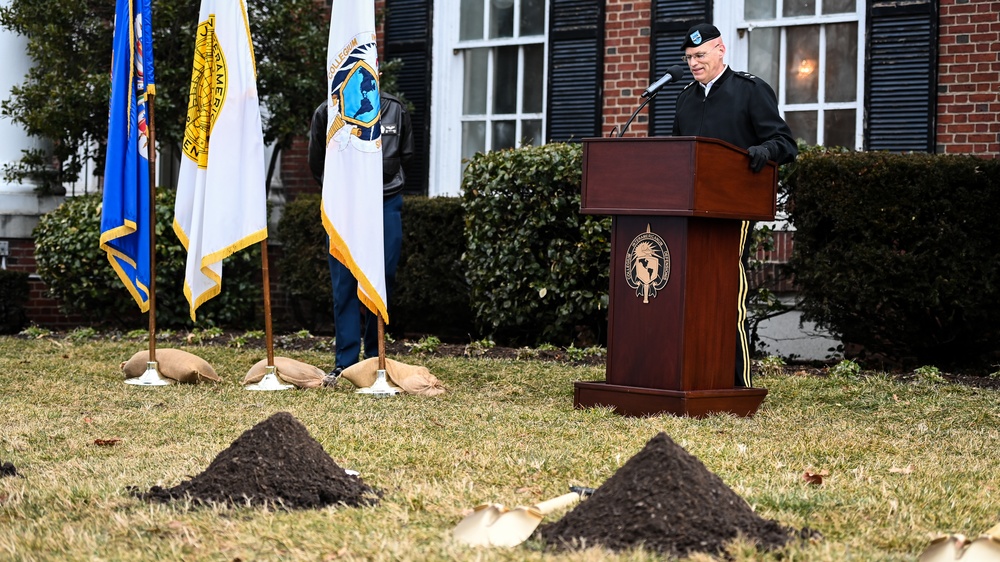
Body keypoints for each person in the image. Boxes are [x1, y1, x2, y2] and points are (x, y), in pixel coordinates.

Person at [671, 23, 797, 388]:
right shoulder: (684, 97)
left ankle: (735, 381)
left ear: (721, 50)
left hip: (732, 210)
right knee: (690, 292)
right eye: (689, 58)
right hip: (688, 212)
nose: (694, 63)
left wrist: (764, 151)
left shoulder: (750, 91)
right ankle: (694, 372)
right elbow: (678, 153)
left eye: (700, 55)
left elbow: (785, 143)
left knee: (727, 290)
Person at [308, 90, 414, 381]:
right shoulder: (325, 112)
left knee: (383, 277)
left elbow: (406, 154)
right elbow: (317, 163)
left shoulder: (394, 108)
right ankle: (345, 361)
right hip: (344, 205)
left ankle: (373, 357)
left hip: (386, 200)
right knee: (344, 282)